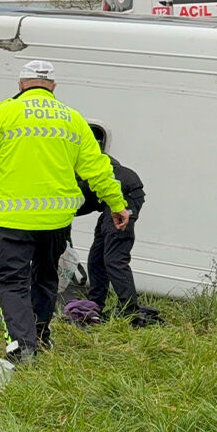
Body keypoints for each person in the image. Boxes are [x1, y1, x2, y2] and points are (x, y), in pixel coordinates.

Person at [0, 60, 129, 362]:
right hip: (57, 221)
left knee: (11, 281)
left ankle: (22, 346)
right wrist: (117, 203)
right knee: (46, 278)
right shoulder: (73, 120)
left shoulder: (3, 113)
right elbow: (98, 168)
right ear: (53, 87)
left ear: (21, 84)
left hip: (14, 218)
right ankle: (41, 333)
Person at [77, 129, 145, 318]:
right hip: (112, 198)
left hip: (123, 194)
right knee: (96, 257)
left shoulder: (68, 168)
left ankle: (130, 311)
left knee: (115, 257)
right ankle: (94, 305)